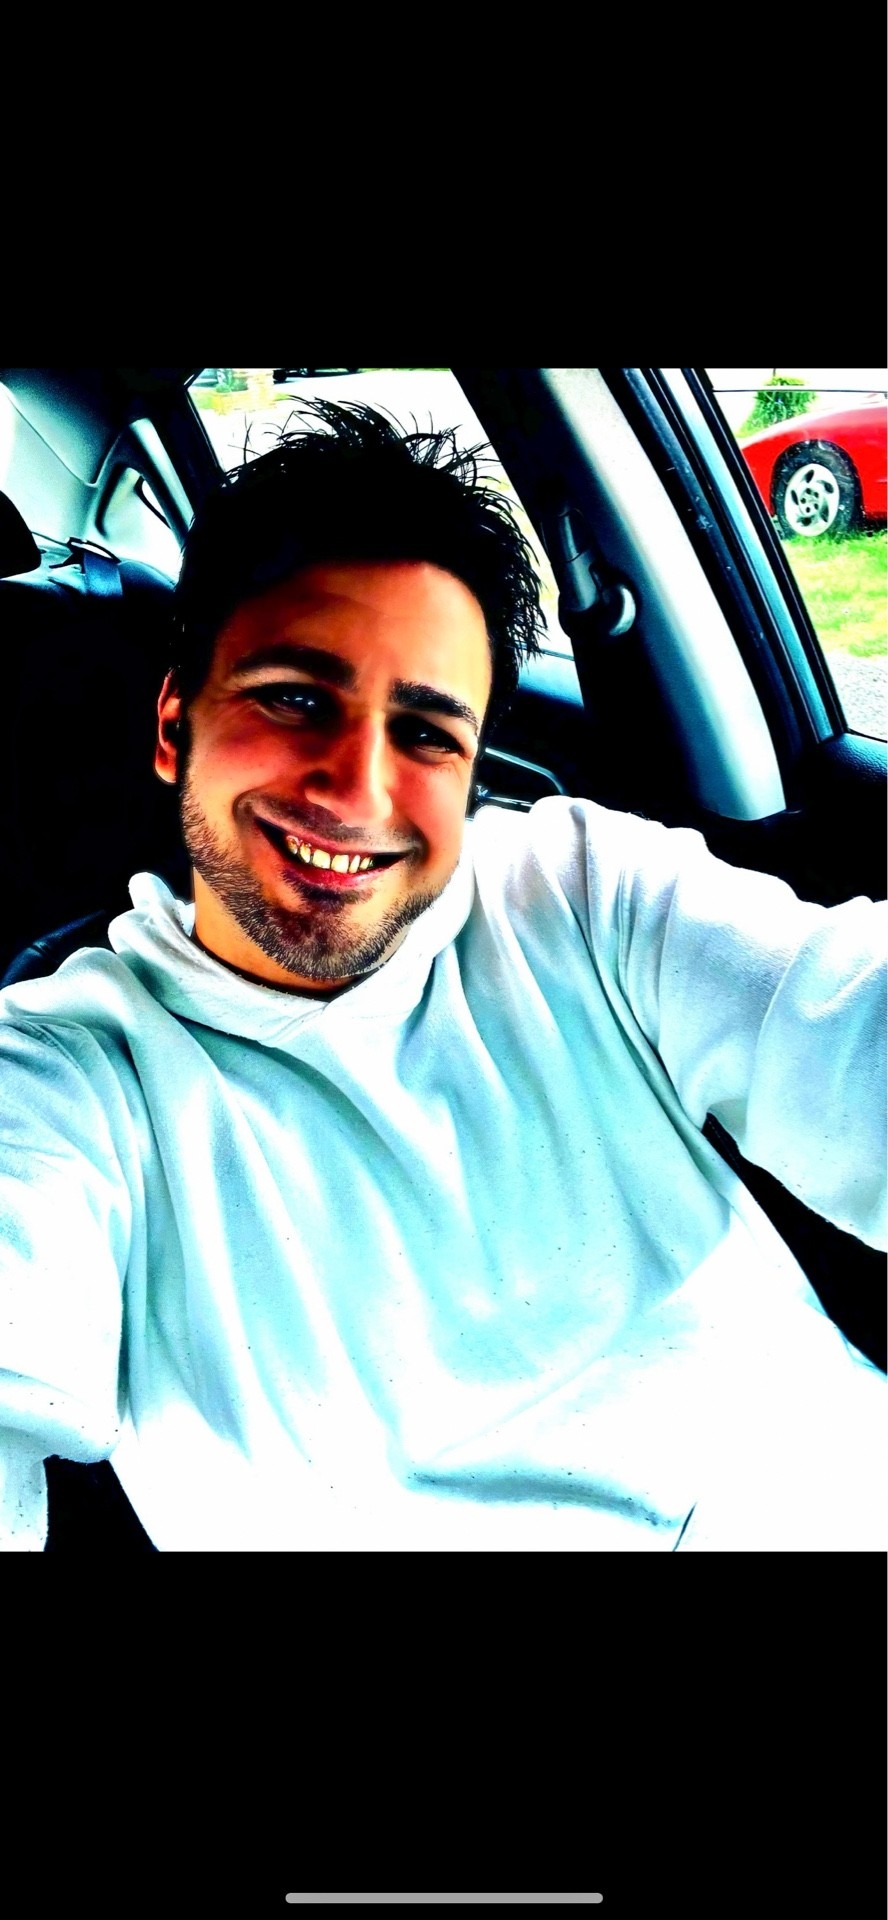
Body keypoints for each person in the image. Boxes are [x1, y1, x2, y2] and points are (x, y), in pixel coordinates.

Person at [0, 403, 884, 1551]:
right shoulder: (66, 1079)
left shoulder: (582, 892)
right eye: (295, 696)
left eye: (426, 733)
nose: (356, 786)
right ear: (177, 724)